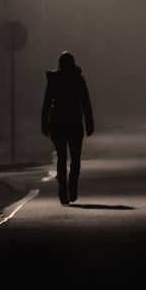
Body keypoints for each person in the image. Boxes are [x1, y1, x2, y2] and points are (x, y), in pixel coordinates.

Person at [41, 51, 94, 205]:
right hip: (74, 123)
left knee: (62, 158)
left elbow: (46, 103)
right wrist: (89, 123)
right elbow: (86, 103)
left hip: (57, 122)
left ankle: (63, 188)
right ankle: (72, 185)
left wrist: (44, 123)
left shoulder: (54, 80)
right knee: (75, 158)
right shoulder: (78, 79)